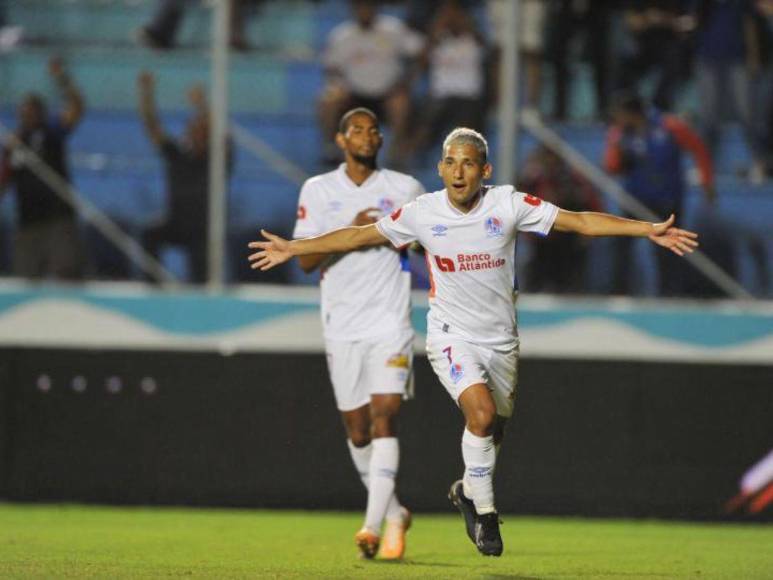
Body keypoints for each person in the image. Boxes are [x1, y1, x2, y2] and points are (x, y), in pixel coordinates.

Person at [248, 127, 699, 557]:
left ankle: (467, 490)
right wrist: (295, 247)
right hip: (450, 335)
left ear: (485, 171)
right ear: (441, 169)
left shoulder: (507, 204)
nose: (458, 170)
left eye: (468, 162)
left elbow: (578, 221)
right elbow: (360, 234)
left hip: (501, 341)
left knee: (492, 428)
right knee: (480, 415)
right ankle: (485, 514)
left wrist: (646, 229)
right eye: (450, 162)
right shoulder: (422, 213)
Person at [292, 108, 424, 560]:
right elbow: (306, 260)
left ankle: (371, 527)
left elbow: (430, 242)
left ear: (380, 140)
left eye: (374, 129)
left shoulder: (404, 189)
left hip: (390, 321)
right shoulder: (318, 189)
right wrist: (356, 229)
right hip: (342, 324)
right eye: (357, 130)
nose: (367, 136)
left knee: (384, 415)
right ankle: (394, 514)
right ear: (341, 140)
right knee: (358, 432)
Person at [604, 93, 715, 296]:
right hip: (635, 199)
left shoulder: (670, 126)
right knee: (620, 245)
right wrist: (616, 145)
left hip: (666, 200)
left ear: (632, 113)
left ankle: (669, 294)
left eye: (621, 115)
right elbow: (611, 166)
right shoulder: (620, 133)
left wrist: (707, 183)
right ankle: (618, 293)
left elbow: (699, 149)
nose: (618, 120)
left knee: (668, 251)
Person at [137, 70, 231, 284]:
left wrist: (202, 105)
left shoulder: (216, 161)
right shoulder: (178, 154)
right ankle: (152, 286)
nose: (195, 135)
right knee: (150, 234)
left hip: (204, 227)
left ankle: (202, 291)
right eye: (192, 131)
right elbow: (152, 127)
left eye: (201, 132)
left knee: (201, 269)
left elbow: (224, 137)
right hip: (176, 222)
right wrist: (146, 93)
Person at [0, 57, 86, 280]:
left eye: (31, 110)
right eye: (23, 111)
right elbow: (4, 181)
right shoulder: (14, 143)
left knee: (68, 279)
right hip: (28, 223)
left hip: (58, 220)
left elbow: (76, 108)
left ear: (41, 113)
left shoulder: (51, 132)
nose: (26, 114)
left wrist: (62, 79)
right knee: (25, 283)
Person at [318, 0, 424, 166]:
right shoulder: (342, 35)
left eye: (368, 7)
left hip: (387, 94)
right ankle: (331, 147)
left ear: (376, 8)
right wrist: (339, 86)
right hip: (354, 94)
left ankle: (397, 151)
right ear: (353, 9)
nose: (364, 11)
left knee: (400, 102)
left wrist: (408, 80)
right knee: (329, 98)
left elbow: (420, 51)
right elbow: (331, 68)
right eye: (360, 7)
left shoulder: (393, 29)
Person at [517, 144, 603, 293]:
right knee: (537, 274)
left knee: (568, 277)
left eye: (552, 158)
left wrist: (587, 233)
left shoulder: (572, 180)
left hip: (568, 239)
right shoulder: (532, 179)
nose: (549, 162)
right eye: (546, 158)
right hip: (541, 239)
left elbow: (591, 204)